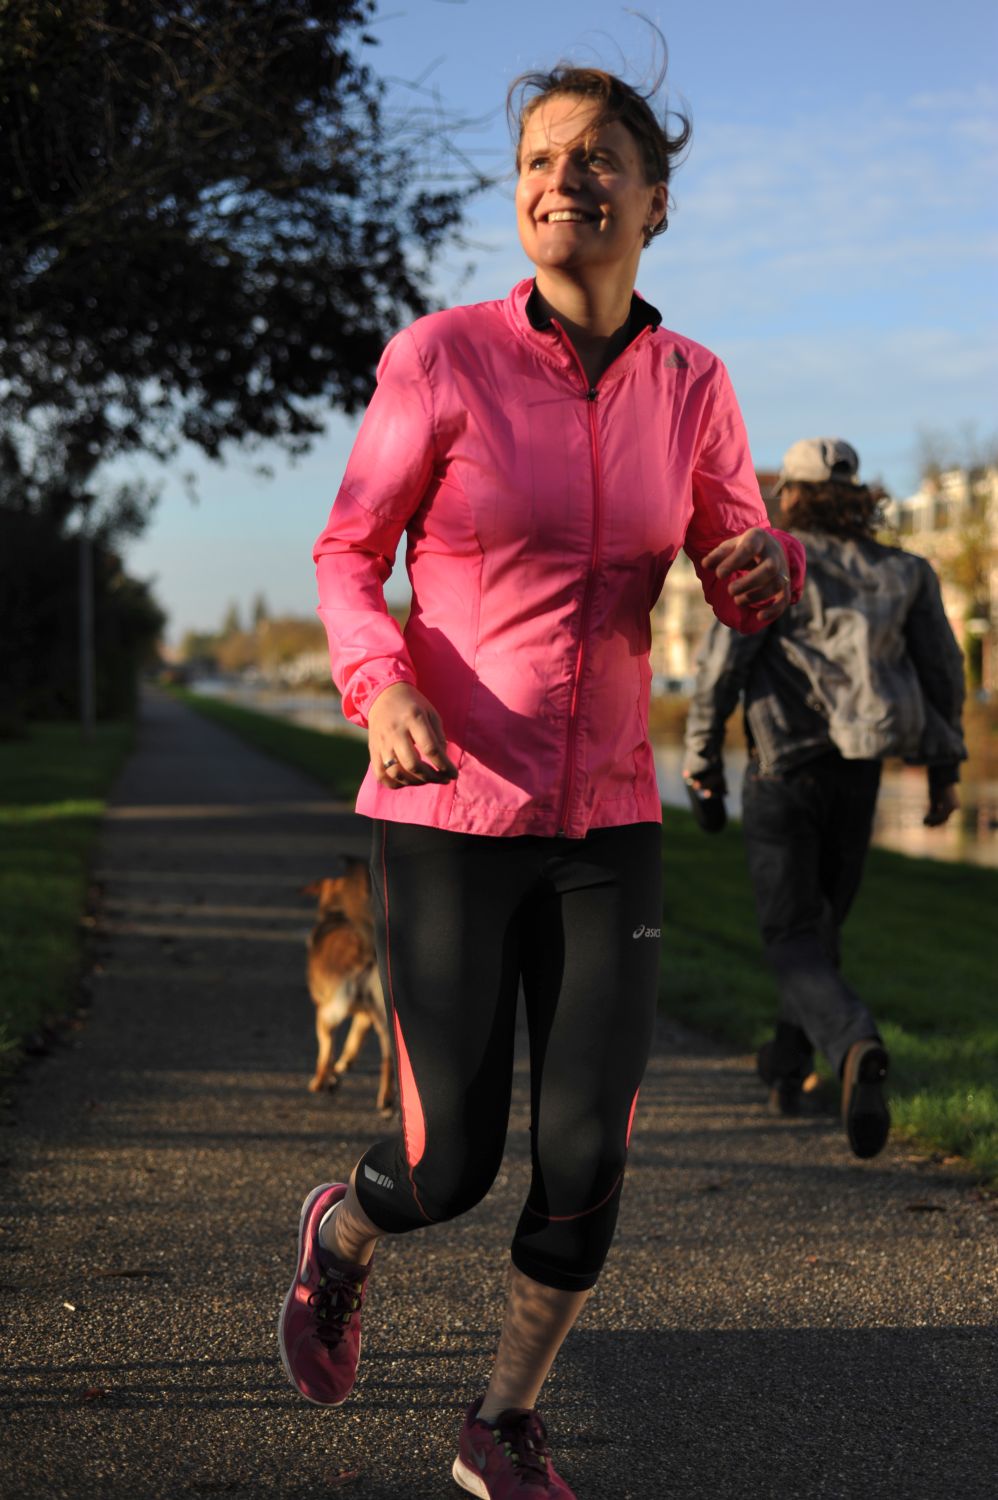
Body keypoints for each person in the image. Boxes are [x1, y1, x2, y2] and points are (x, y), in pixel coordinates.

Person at [279, 58, 804, 1498]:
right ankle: (341, 1239)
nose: (559, 179)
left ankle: (498, 1423)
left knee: (584, 1162)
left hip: (606, 827)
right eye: (535, 159)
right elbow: (344, 553)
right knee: (446, 1167)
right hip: (448, 810)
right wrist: (379, 686)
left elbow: (738, 560)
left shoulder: (694, 384)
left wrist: (771, 570)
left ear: (651, 199)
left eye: (592, 159)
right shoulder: (440, 357)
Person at [683, 437, 966, 1159]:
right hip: (861, 772)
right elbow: (942, 672)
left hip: (785, 769)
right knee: (822, 923)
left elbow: (724, 664)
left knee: (790, 936)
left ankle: (852, 1042)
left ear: (794, 496)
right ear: (855, 492)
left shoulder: (774, 559)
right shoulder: (905, 570)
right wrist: (942, 771)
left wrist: (702, 758)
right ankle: (788, 1066)